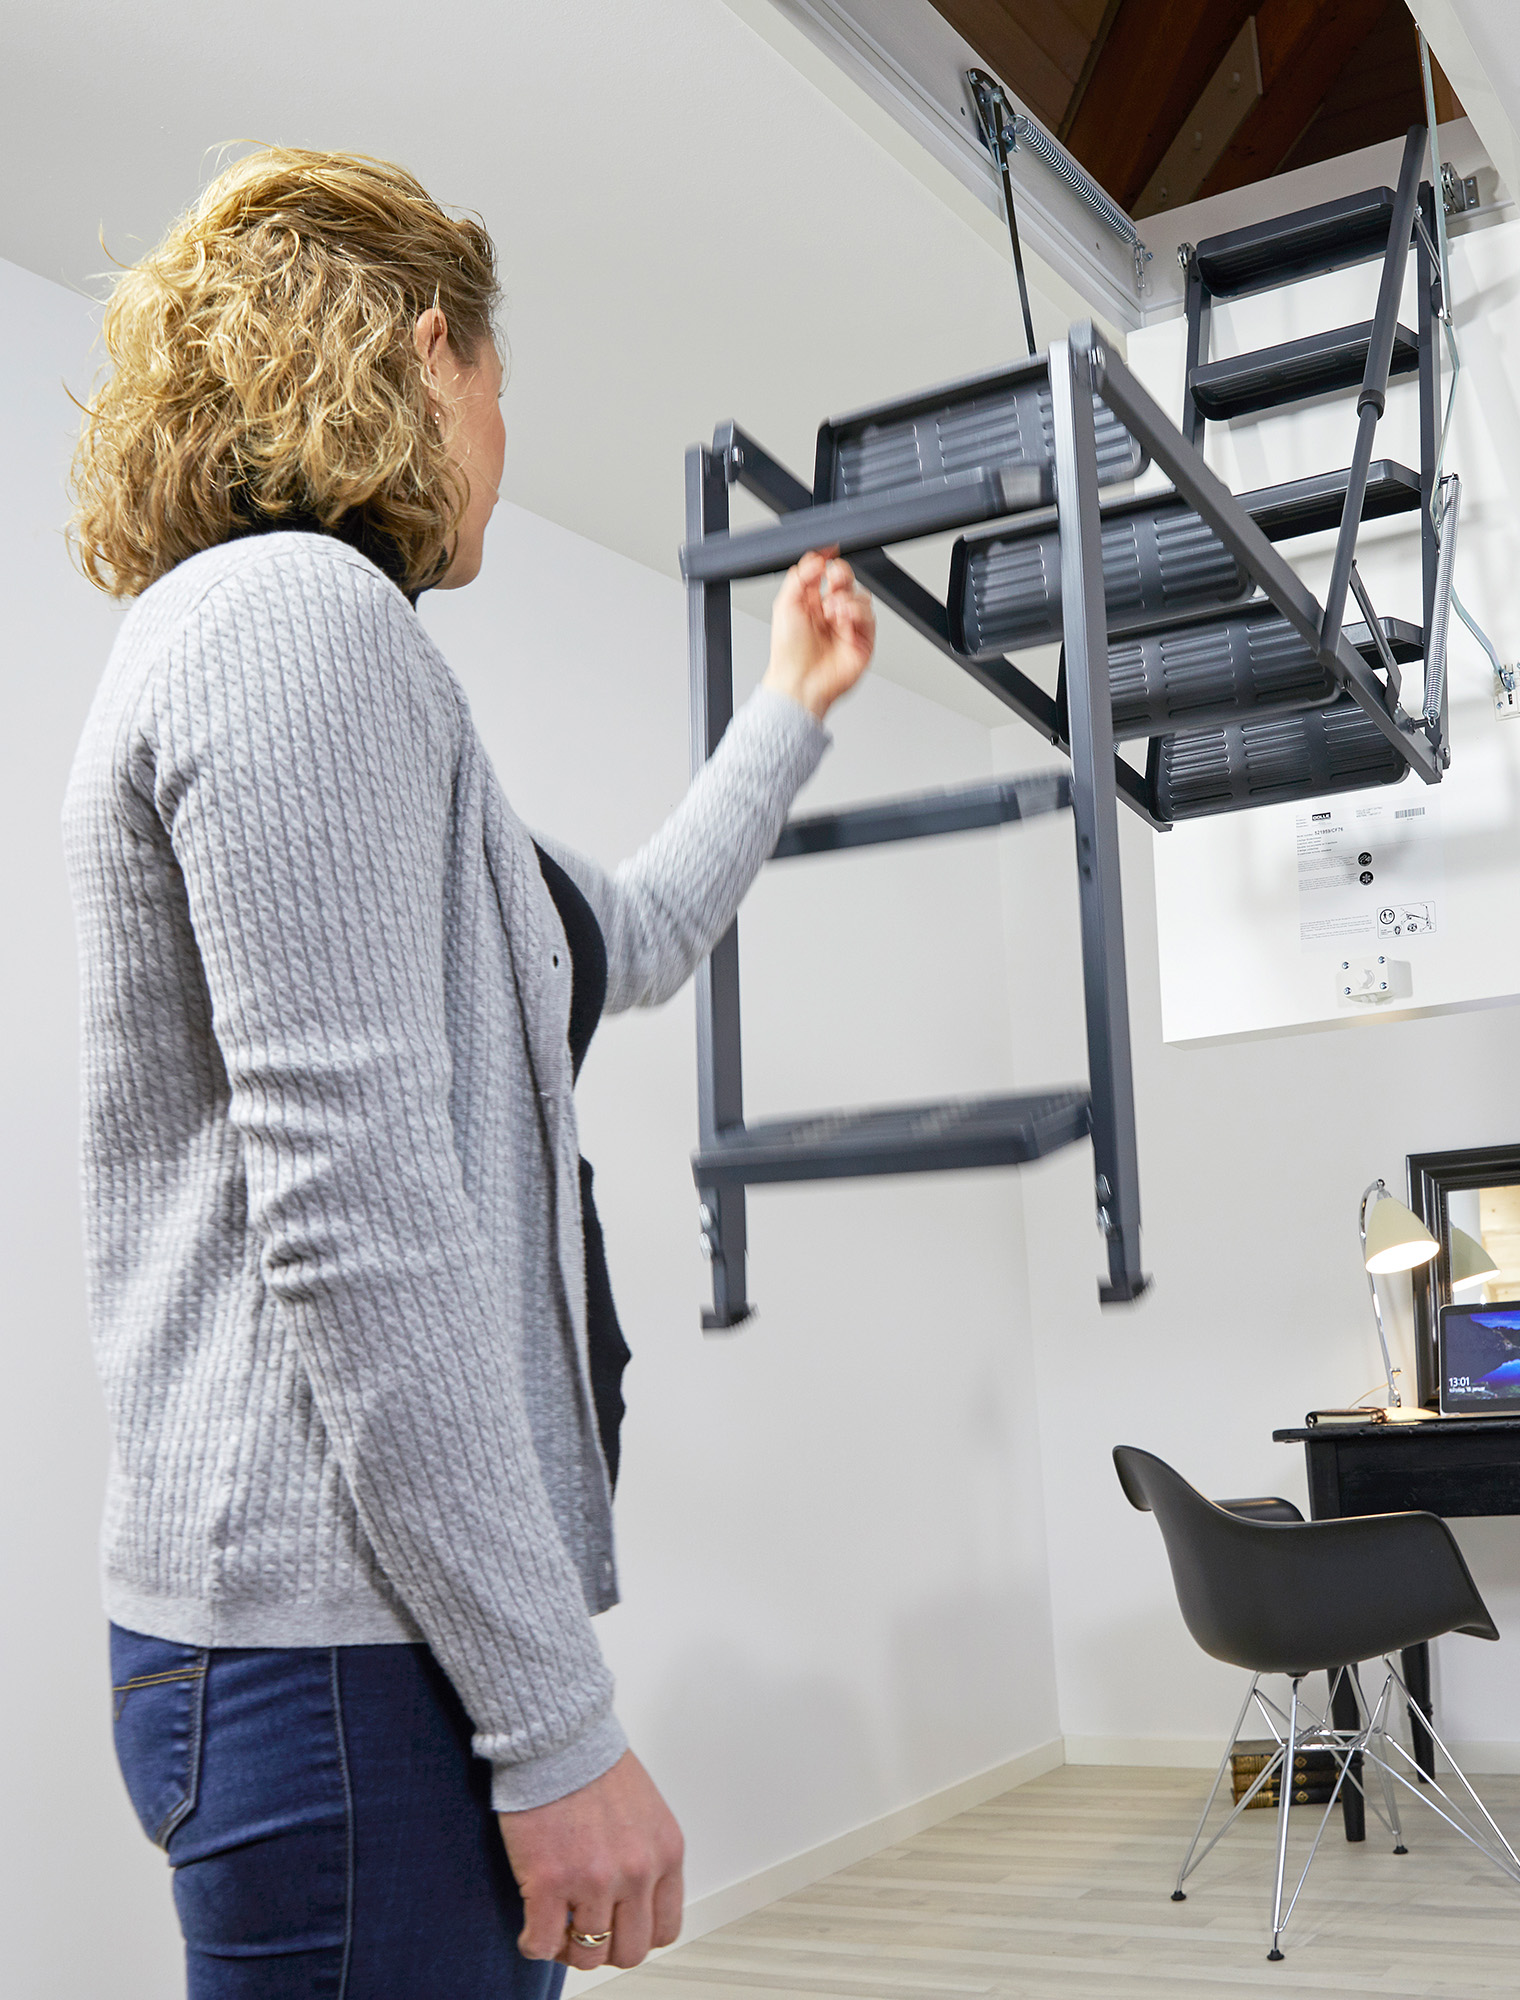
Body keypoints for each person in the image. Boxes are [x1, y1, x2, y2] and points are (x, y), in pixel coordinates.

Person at [63, 147, 874, 1997]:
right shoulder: (295, 624)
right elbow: (354, 1217)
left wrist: (790, 709)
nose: (505, 426)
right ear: (435, 349)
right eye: (503, 380)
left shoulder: (321, 666)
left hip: (341, 1649)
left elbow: (634, 930)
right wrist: (553, 1720)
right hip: (346, 1659)